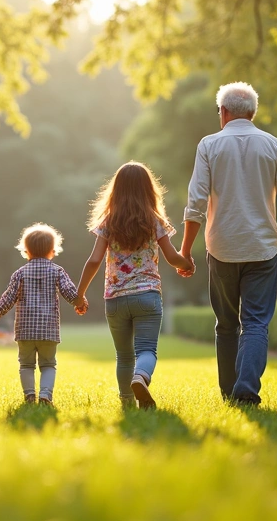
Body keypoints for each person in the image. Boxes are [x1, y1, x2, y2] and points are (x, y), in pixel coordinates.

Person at [178, 82, 277, 406]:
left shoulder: (209, 145)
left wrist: (184, 250)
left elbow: (196, 202)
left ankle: (229, 393)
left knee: (226, 325)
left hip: (221, 249)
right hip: (263, 249)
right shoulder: (273, 145)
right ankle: (246, 388)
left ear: (223, 112)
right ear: (252, 113)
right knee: (255, 323)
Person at [75, 162, 191, 409]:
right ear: (148, 190)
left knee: (124, 356)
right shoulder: (155, 220)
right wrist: (187, 263)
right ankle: (141, 377)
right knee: (146, 350)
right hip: (147, 295)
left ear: (115, 190)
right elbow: (172, 257)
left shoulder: (108, 222)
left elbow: (94, 259)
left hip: (115, 299)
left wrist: (79, 294)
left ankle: (127, 402)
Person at [0, 223, 84, 406]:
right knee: (48, 364)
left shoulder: (20, 273)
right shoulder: (57, 271)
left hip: (25, 330)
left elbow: (9, 297)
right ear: (52, 251)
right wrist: (80, 303)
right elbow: (70, 292)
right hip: (49, 330)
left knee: (26, 365)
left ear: (26, 251)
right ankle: (46, 395)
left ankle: (30, 395)